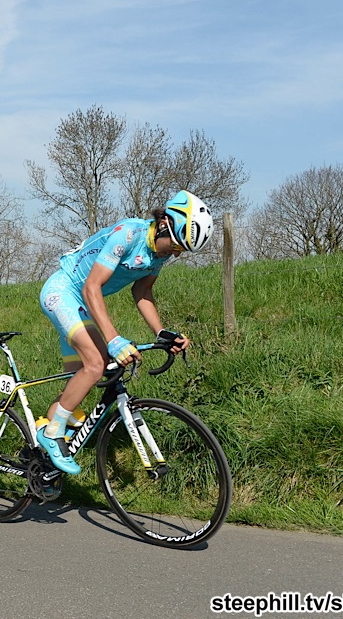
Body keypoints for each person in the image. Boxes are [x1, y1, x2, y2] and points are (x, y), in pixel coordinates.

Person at [37, 190, 214, 474]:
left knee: (77, 387)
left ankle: (41, 468)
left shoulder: (158, 253)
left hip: (82, 304)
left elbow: (142, 291)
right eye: (176, 245)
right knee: (96, 363)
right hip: (63, 292)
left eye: (182, 250)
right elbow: (91, 287)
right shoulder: (128, 234)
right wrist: (114, 339)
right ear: (165, 224)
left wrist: (161, 332)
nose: (175, 253)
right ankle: (51, 434)